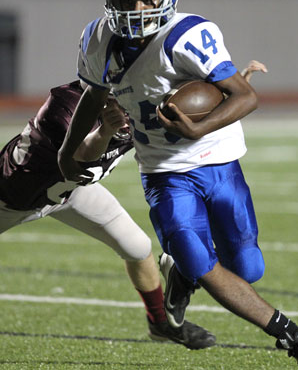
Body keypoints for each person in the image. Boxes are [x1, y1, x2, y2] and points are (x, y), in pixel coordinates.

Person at [57, 0, 298, 368]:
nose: (135, 11)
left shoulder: (187, 34)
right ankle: (295, 337)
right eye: (126, 0)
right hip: (164, 171)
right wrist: (67, 148)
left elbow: (246, 96)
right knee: (201, 259)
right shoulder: (98, 38)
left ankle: (181, 274)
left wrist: (199, 129)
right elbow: (93, 97)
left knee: (247, 268)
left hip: (218, 161)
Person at [0, 80, 217, 350]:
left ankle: (161, 324)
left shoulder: (140, 104)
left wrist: (223, 96)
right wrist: (105, 132)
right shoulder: (65, 104)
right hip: (10, 197)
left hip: (68, 192)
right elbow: (76, 159)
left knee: (137, 246)